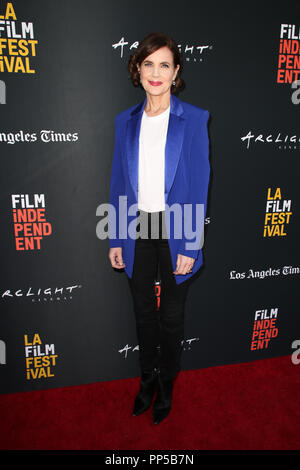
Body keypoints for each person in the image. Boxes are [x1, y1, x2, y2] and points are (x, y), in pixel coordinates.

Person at [108, 32, 211, 424]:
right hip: (137, 230)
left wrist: (191, 245)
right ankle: (146, 380)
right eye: (148, 64)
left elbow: (200, 183)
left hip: (176, 229)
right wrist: (117, 235)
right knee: (142, 314)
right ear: (137, 69)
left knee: (171, 316)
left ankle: (167, 384)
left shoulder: (195, 119)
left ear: (176, 72)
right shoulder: (124, 122)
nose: (156, 72)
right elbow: (118, 181)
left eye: (164, 64)